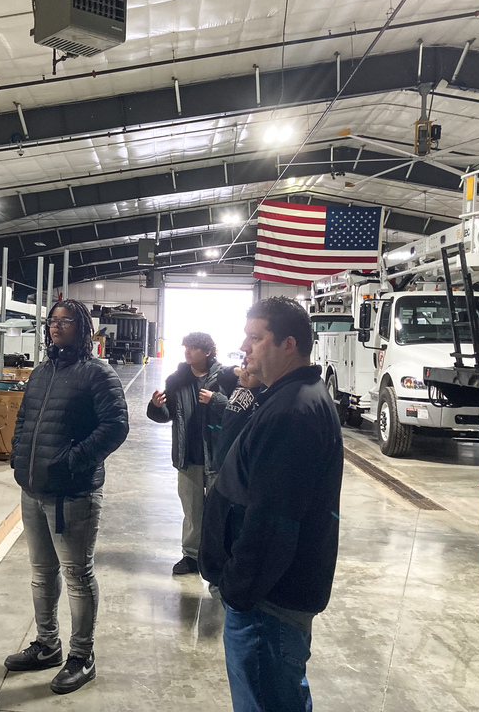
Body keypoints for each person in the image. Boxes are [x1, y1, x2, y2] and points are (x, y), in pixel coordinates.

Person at [200, 297, 343, 712]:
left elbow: (273, 521)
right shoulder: (288, 397)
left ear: (288, 345)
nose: (244, 347)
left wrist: (239, 590)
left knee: (266, 700)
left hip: (268, 603)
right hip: (271, 596)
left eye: (255, 338)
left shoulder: (292, 412)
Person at [5, 299, 129, 695]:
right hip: (33, 489)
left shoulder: (98, 374)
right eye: (53, 321)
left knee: (76, 574)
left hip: (73, 494)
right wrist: (18, 454)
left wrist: (72, 461)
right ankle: (47, 645)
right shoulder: (42, 372)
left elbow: (115, 427)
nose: (58, 327)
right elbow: (24, 418)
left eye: (67, 320)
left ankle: (82, 655)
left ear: (83, 327)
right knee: (42, 574)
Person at [146, 332, 235, 576]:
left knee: (221, 511)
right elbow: (168, 415)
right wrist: (156, 406)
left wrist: (216, 400)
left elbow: (240, 410)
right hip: (188, 456)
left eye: (194, 348)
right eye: (186, 347)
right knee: (193, 512)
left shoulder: (225, 378)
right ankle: (192, 557)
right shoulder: (177, 380)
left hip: (218, 457)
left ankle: (221, 557)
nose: (188, 352)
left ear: (207, 351)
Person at [211, 361, 264, 486]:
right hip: (223, 457)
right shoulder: (238, 385)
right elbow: (223, 374)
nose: (245, 374)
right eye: (244, 369)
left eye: (251, 373)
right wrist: (241, 371)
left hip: (239, 465)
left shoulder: (263, 395)